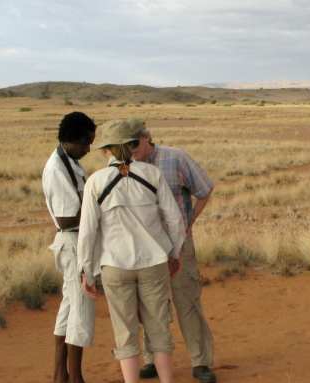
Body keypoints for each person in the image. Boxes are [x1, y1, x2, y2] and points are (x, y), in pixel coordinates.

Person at [77, 118, 187, 383]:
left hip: (115, 266)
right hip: (154, 262)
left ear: (107, 150)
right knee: (159, 328)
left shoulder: (96, 181)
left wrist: (86, 270)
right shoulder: (152, 174)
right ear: (135, 144)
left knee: (125, 331)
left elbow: (88, 232)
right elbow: (174, 220)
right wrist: (174, 253)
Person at [127, 119, 218, 383]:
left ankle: (201, 362)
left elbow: (205, 188)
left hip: (178, 244)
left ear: (147, 138)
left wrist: (189, 223)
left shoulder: (176, 158)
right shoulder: (127, 166)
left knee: (187, 299)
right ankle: (151, 359)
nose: (131, 149)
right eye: (126, 144)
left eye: (134, 143)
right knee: (150, 302)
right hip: (145, 246)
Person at [42, 111, 97, 383]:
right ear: (70, 140)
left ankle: (59, 375)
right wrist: (99, 213)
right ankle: (75, 377)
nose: (88, 148)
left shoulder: (69, 162)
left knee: (68, 308)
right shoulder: (57, 168)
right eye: (86, 142)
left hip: (74, 240)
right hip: (73, 242)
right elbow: (65, 217)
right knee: (81, 311)